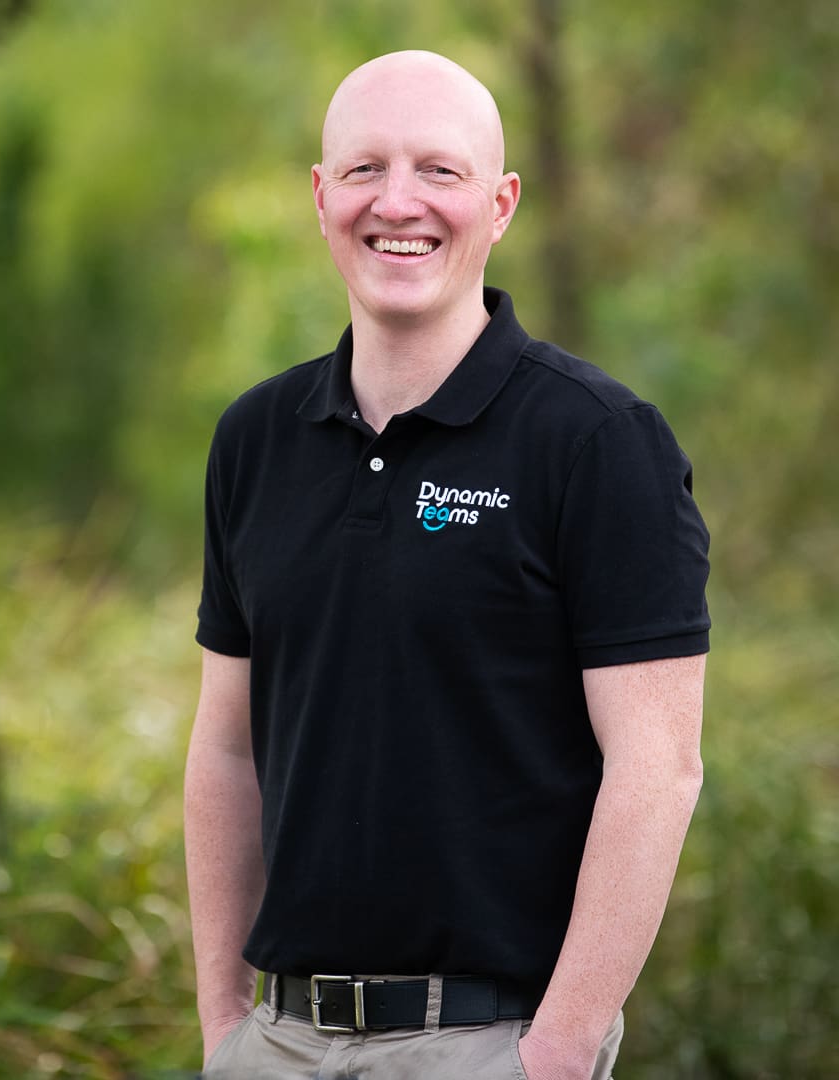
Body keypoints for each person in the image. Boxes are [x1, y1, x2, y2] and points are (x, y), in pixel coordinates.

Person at [185, 49, 710, 1080]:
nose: (399, 203)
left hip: (489, 1045)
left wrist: (555, 1052)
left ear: (501, 203)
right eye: (366, 168)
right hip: (274, 1045)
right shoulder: (255, 441)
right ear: (322, 195)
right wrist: (220, 1024)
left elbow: (659, 769)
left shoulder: (597, 443)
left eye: (440, 170)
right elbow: (226, 750)